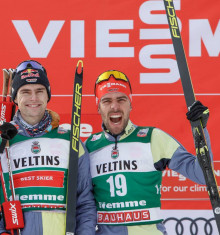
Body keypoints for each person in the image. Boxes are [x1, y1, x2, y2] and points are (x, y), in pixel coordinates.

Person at [85, 70, 212, 235]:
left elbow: (202, 176)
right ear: (98, 106)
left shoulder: (153, 138)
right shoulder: (89, 146)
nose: (114, 106)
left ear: (130, 103)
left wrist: (201, 130)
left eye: (121, 99)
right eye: (106, 100)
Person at [0, 60, 96, 235]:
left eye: (39, 91)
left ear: (48, 95)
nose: (33, 98)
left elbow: (85, 203)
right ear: (15, 98)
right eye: (25, 92)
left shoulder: (72, 141)